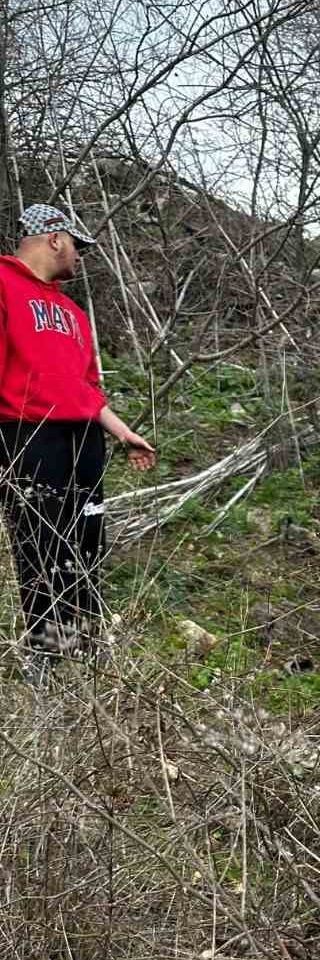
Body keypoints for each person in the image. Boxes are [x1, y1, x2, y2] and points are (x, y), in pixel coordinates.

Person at [0, 203, 156, 661]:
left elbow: (85, 386)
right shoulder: (4, 286)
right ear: (54, 238)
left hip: (84, 440)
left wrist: (123, 432)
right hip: (28, 437)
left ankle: (83, 651)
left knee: (85, 543)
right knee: (40, 547)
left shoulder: (72, 311)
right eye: (76, 245)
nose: (80, 255)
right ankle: (50, 659)